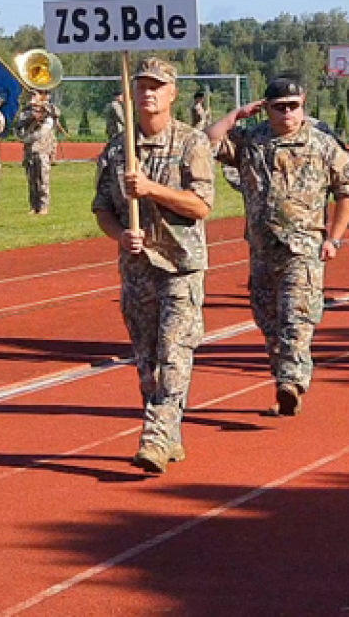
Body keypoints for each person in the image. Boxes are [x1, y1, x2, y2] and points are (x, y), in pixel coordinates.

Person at [207, 75, 349, 414]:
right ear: (267, 109)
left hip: (303, 248)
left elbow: (348, 190)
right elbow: (207, 143)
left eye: (293, 106)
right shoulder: (252, 140)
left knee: (296, 315)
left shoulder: (322, 144)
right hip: (262, 248)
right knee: (268, 320)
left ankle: (292, 379)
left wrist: (334, 237)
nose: (287, 113)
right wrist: (235, 116)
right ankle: (284, 378)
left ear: (303, 105)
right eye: (279, 107)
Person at [92, 57, 214, 474]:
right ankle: (168, 429)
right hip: (138, 271)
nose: (148, 93)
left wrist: (151, 189)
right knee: (146, 362)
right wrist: (120, 235)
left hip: (180, 266)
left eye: (157, 86)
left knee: (174, 352)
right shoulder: (118, 149)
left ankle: (156, 436)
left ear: (172, 93)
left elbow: (200, 205)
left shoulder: (191, 143)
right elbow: (103, 208)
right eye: (142, 86)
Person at [15, 94, 58, 215]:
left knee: (43, 179)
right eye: (32, 95)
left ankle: (44, 206)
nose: (33, 98)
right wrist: (30, 118)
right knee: (32, 180)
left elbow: (56, 113)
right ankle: (34, 206)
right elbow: (19, 128)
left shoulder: (48, 110)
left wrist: (43, 105)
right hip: (29, 150)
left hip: (42, 149)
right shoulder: (25, 112)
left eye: (35, 95)